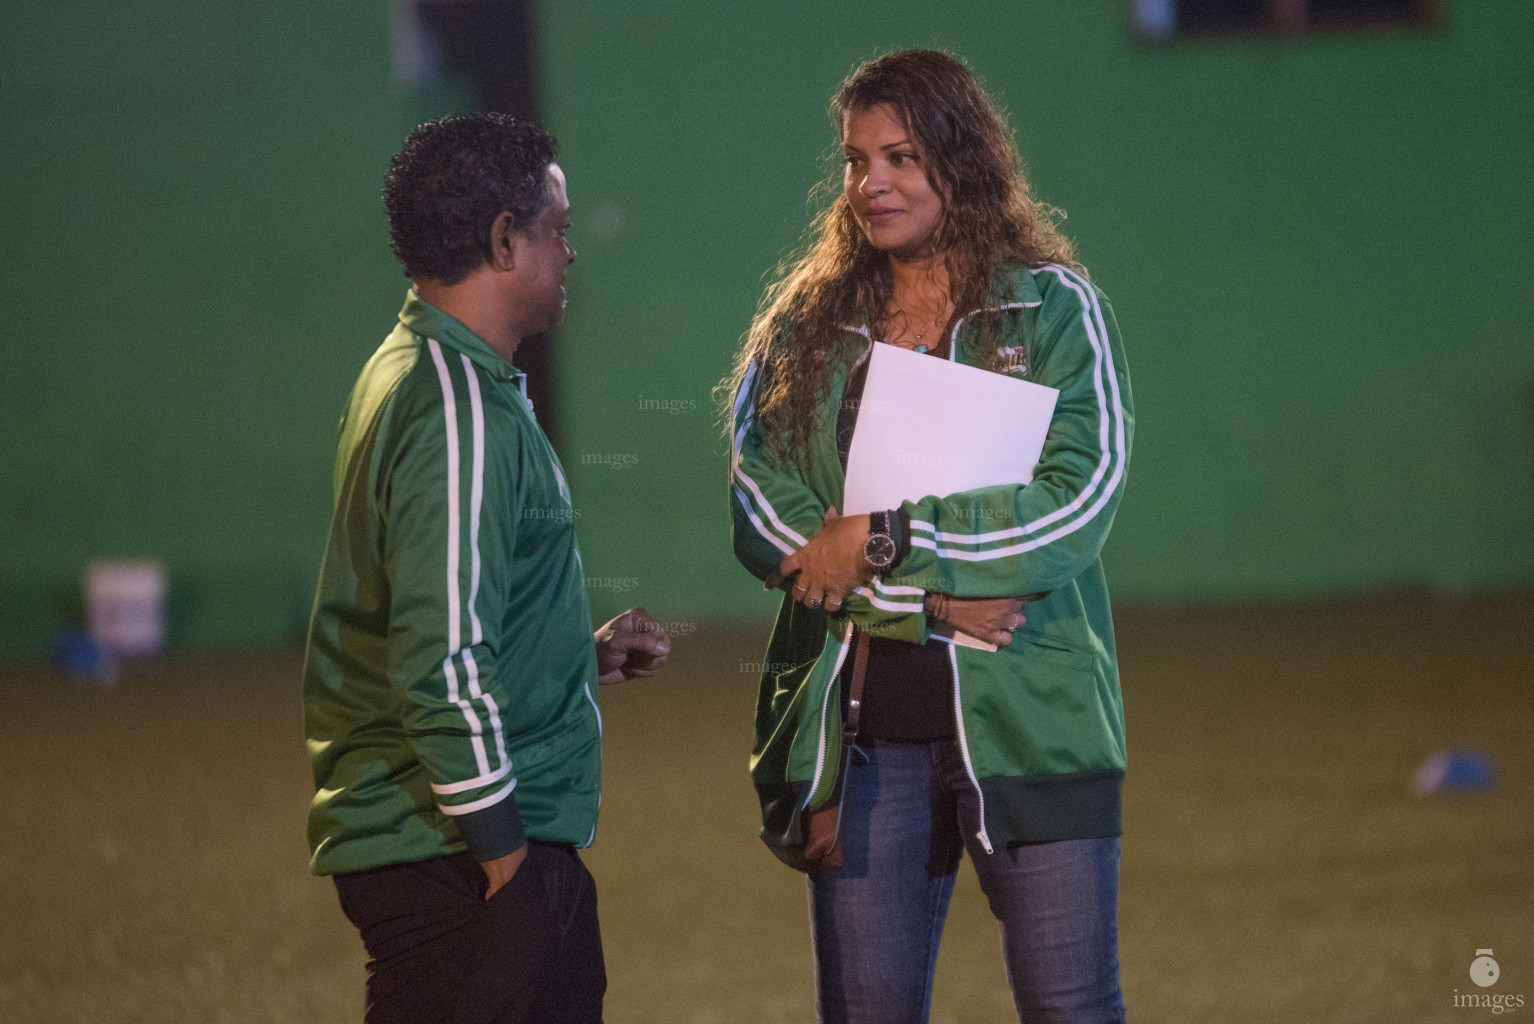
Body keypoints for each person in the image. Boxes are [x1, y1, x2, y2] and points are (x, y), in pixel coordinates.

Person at [726, 51, 1133, 1024]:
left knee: (1072, 1008)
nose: (873, 183)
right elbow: (757, 500)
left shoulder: (1052, 309)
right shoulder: (808, 323)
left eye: (901, 156)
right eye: (858, 160)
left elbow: (1078, 499)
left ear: (963, 160)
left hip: (1037, 720)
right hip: (863, 731)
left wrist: (888, 537)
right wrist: (932, 598)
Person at [303, 113, 670, 1024]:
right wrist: (507, 862)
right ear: (505, 239)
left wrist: (570, 659)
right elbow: (437, 659)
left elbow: (440, 614)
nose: (572, 253)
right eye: (559, 229)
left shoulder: (423, 374)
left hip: (451, 834)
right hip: (457, 847)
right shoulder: (456, 406)